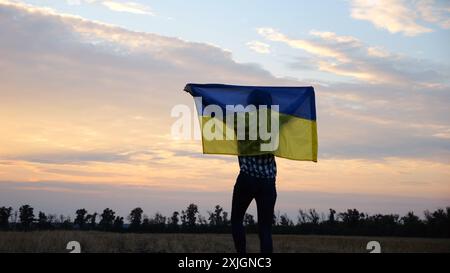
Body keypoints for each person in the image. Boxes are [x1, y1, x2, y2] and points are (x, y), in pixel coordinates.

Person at [231, 90, 277, 253]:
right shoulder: (276, 123)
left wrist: (197, 93)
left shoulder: (239, 121)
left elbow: (216, 110)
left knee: (236, 220)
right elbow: (293, 110)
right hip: (268, 182)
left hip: (247, 178)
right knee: (265, 229)